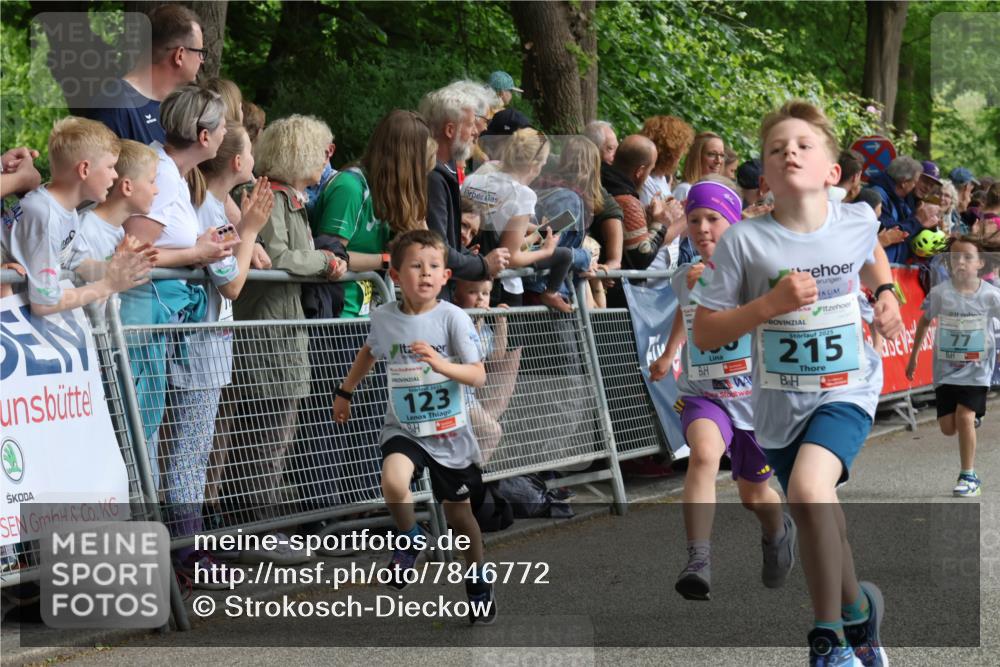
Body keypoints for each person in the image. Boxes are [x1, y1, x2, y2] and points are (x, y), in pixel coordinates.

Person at [691, 100, 902, 666]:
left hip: (848, 387)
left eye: (805, 145)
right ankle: (860, 614)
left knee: (810, 491)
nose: (791, 152)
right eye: (777, 147)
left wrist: (886, 295)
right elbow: (707, 333)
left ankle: (828, 641)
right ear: (765, 175)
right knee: (818, 510)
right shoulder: (744, 241)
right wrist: (768, 305)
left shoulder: (856, 219)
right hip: (779, 406)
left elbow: (872, 254)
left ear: (833, 173)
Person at [333, 229, 496, 625]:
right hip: (404, 427)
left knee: (461, 520)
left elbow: (478, 376)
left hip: (449, 431)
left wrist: (440, 365)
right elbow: (369, 353)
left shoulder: (453, 318)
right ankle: (410, 539)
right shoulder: (385, 318)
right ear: (395, 274)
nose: (425, 274)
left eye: (434, 267)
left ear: (445, 277)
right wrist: (345, 391)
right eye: (416, 266)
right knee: (393, 481)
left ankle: (477, 581)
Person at [649, 178, 793, 601]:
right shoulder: (684, 277)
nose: (703, 227)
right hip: (703, 393)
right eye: (694, 219)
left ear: (734, 225)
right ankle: (698, 559)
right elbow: (684, 311)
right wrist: (669, 353)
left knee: (755, 496)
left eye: (714, 218)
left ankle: (777, 528)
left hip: (754, 402)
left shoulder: (759, 277)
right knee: (704, 456)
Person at [221, 115, 347, 557]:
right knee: (263, 437)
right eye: (321, 149)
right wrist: (325, 263)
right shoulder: (269, 197)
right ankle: (253, 531)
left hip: (282, 332)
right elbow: (275, 256)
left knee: (273, 434)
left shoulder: (288, 199)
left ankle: (259, 526)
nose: (327, 158)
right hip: (268, 334)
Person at [303, 109, 436, 507]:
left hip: (375, 322)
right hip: (339, 322)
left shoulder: (387, 193)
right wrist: (385, 260)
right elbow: (330, 254)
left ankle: (366, 505)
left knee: (371, 422)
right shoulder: (350, 185)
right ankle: (325, 515)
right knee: (330, 422)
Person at [164, 122, 275, 585]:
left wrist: (247, 229)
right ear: (236, 162)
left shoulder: (212, 204)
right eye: (250, 149)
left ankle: (185, 549)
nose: (254, 156)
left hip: (208, 348)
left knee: (191, 453)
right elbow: (232, 281)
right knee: (187, 456)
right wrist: (249, 230)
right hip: (198, 351)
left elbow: (260, 261)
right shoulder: (206, 209)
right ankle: (185, 555)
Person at [8, 117, 151, 316]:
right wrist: (108, 286)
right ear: (84, 169)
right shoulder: (46, 215)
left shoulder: (66, 210)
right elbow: (45, 303)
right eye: (110, 167)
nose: (115, 176)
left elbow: (77, 264)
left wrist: (116, 268)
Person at [906, 234, 1000, 497]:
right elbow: (924, 322)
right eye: (955, 257)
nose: (960, 262)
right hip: (946, 369)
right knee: (948, 428)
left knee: (964, 416)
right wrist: (913, 357)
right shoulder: (940, 293)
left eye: (967, 257)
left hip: (977, 368)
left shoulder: (991, 295)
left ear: (980, 263)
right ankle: (971, 420)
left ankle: (968, 476)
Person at [462, 127, 573, 312]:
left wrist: (531, 228)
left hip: (465, 273)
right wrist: (546, 251)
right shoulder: (523, 195)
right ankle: (552, 293)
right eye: (543, 164)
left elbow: (491, 217)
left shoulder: (473, 181)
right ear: (535, 164)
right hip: (500, 285)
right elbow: (511, 257)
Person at [420, 83, 510, 299]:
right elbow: (439, 250)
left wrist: (469, 257)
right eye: (470, 124)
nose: (476, 131)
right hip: (433, 299)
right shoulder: (433, 176)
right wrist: (483, 264)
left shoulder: (444, 172)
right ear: (450, 130)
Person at [87, 4, 204, 144]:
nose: (202, 60)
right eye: (200, 53)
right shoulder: (115, 106)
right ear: (179, 55)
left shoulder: (172, 107)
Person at [65, 139, 160, 290]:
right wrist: (116, 265)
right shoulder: (84, 229)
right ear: (127, 186)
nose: (157, 190)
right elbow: (72, 276)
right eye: (152, 181)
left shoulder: (119, 231)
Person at [453, 277, 517, 463]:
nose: (480, 299)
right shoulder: (455, 320)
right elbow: (467, 354)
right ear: (456, 297)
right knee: (489, 432)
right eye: (473, 292)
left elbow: (496, 356)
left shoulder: (484, 328)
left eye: (485, 293)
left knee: (491, 432)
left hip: (469, 399)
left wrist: (501, 322)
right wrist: (476, 322)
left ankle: (471, 476)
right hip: (454, 397)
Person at [640, 115, 695, 269]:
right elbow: (657, 235)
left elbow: (674, 234)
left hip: (665, 271)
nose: (681, 156)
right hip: (650, 273)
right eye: (680, 151)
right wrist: (689, 214)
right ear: (670, 152)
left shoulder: (662, 180)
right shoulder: (646, 183)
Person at [867, 155, 922, 264]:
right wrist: (918, 220)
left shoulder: (903, 198)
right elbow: (892, 231)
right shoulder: (877, 196)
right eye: (914, 182)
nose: (915, 186)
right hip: (878, 266)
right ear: (904, 182)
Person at [673, 131, 725, 202]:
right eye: (712, 154)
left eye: (722, 155)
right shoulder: (686, 190)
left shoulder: (719, 192)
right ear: (697, 157)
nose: (718, 161)